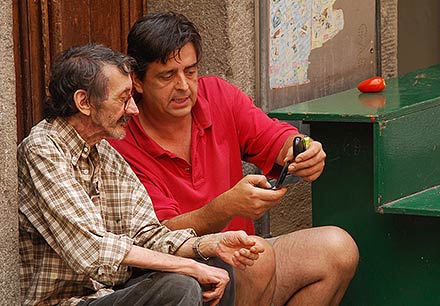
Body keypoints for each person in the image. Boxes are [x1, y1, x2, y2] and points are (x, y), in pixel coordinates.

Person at [109, 12, 359, 306]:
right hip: (178, 277)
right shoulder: (122, 139)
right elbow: (156, 236)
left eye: (190, 71)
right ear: (137, 81)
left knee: (338, 249)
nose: (183, 86)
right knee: (257, 260)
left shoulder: (216, 94)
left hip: (246, 261)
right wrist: (224, 207)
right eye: (167, 76)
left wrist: (303, 149)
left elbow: (276, 137)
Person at [17, 43, 271, 306]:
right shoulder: (43, 149)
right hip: (64, 301)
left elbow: (148, 234)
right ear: (84, 102)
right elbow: (92, 248)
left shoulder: (105, 154)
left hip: (109, 292)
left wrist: (210, 244)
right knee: (181, 284)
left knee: (213, 268)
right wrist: (189, 267)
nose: (133, 109)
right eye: (123, 99)